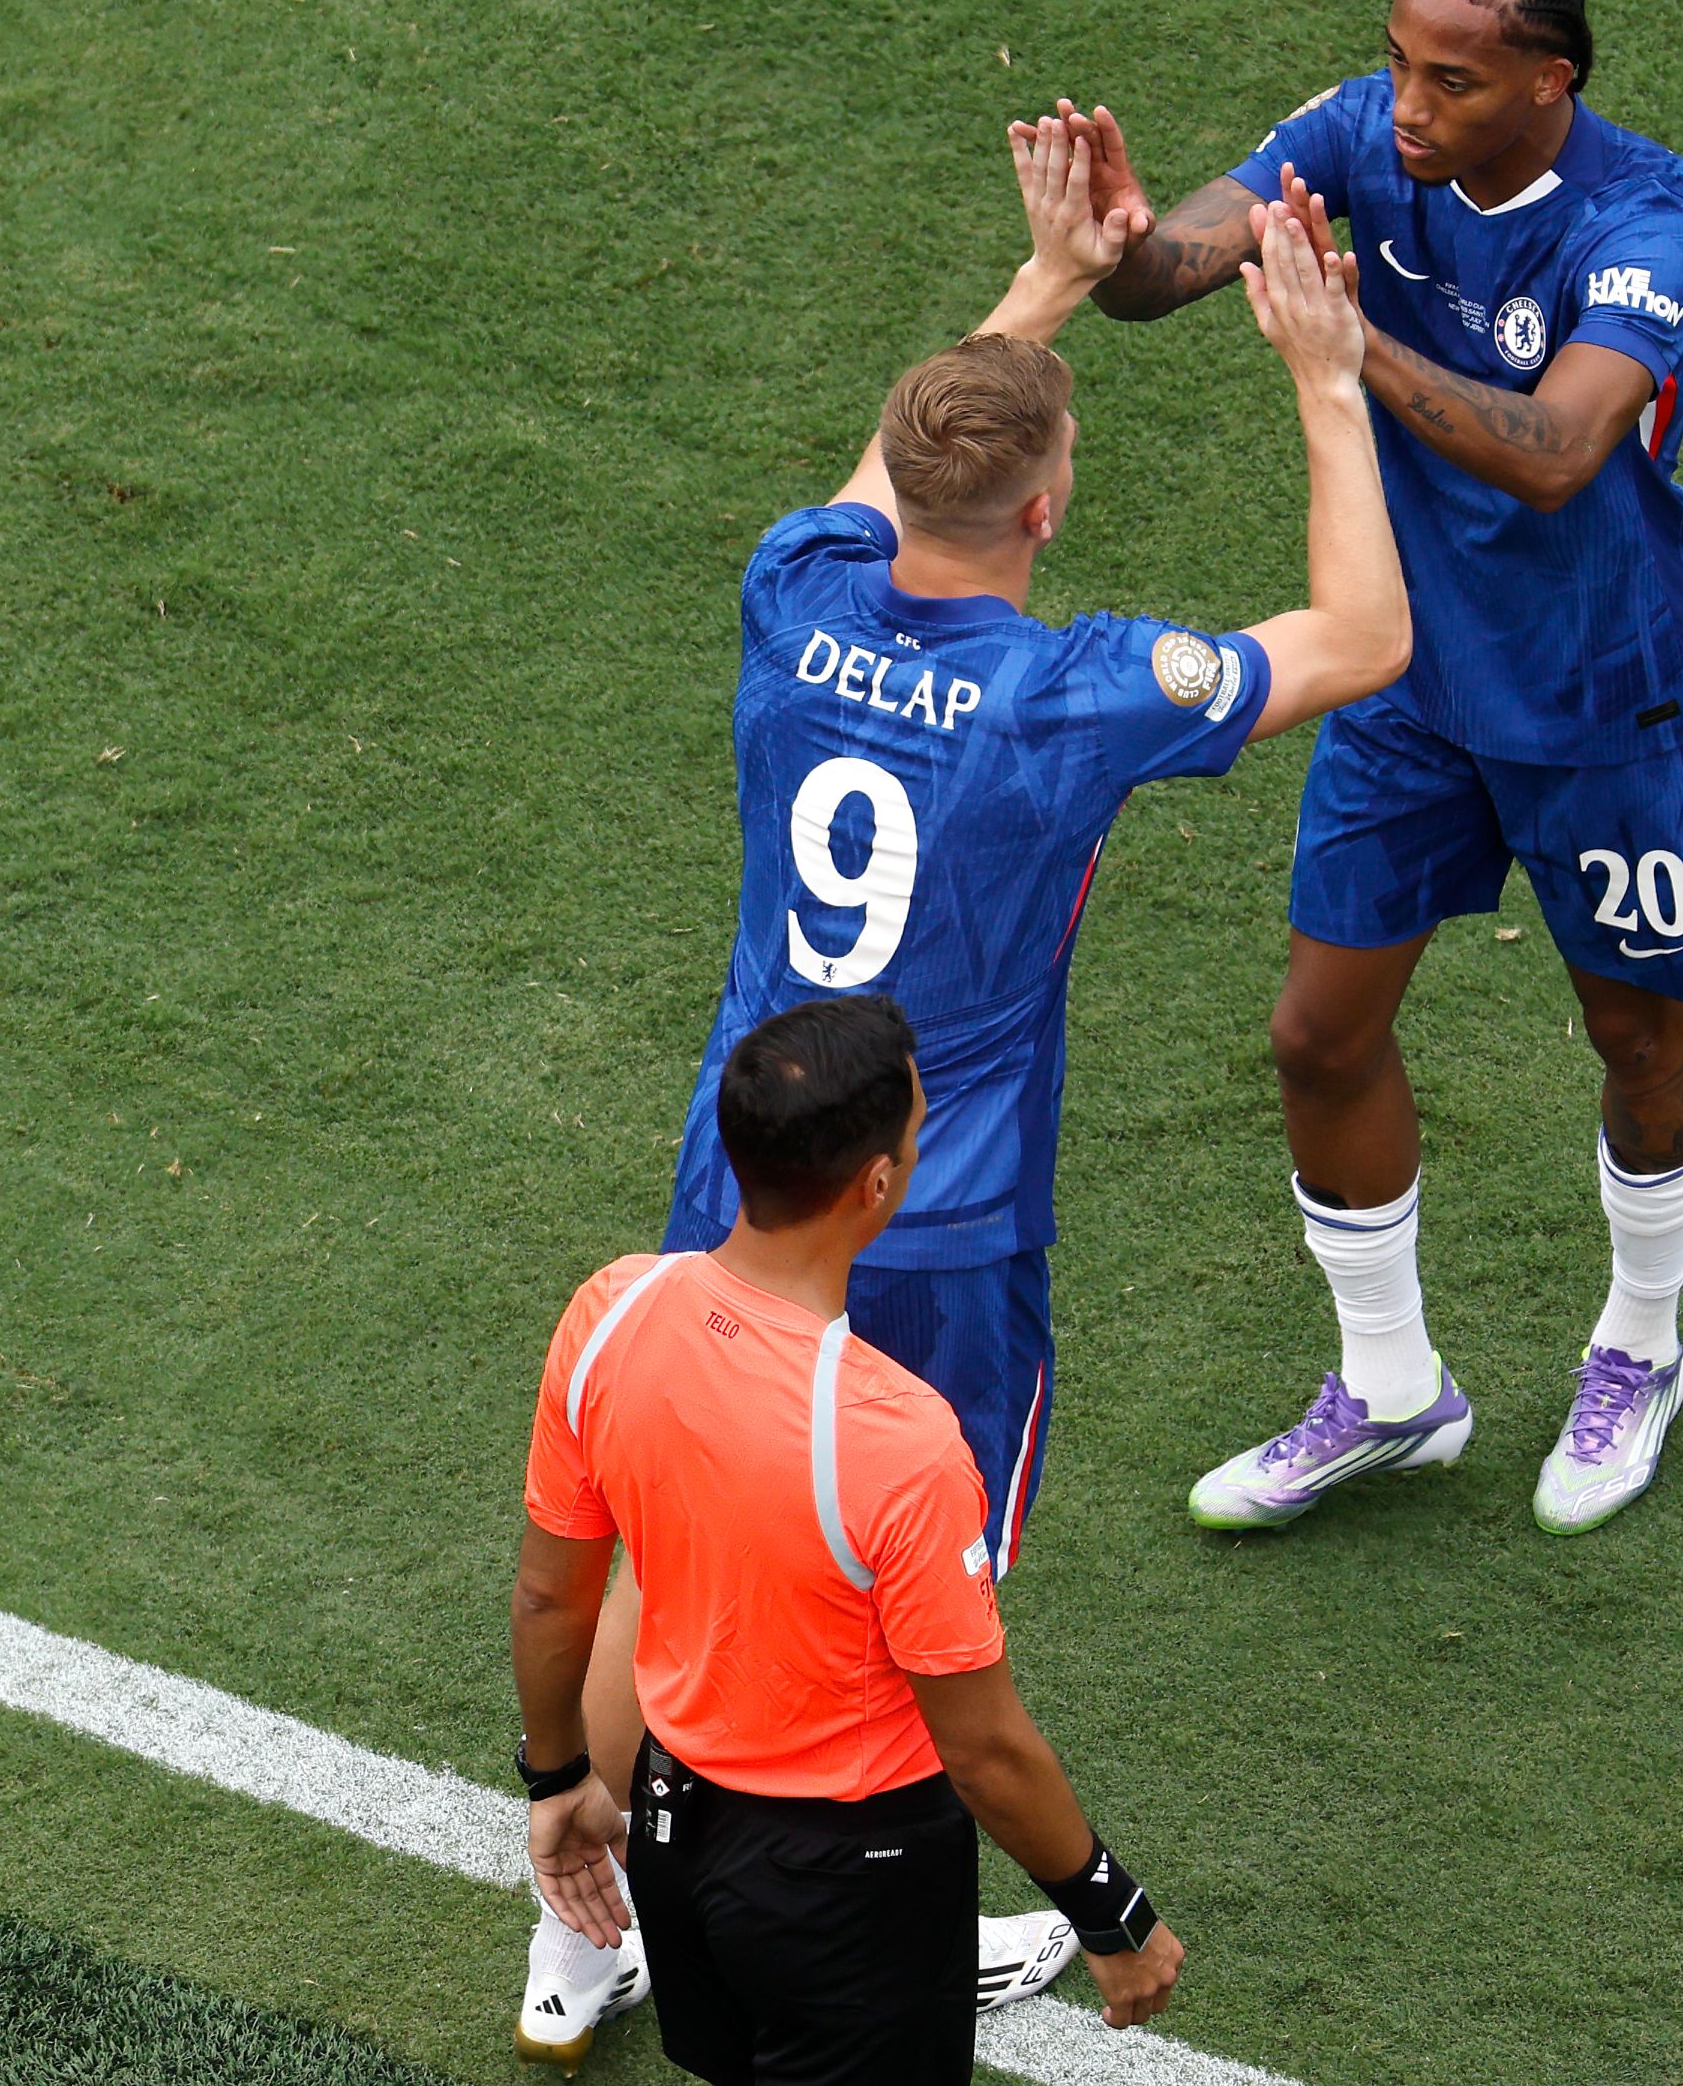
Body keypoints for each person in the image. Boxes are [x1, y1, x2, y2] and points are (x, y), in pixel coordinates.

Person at [513, 116, 1408, 2060]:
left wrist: (1055, 278)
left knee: (669, 1526)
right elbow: (1365, 633)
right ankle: (858, 1909)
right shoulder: (1069, 694)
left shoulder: (793, 588)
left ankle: (577, 1895)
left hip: (739, 1155)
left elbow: (900, 459)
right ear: (1052, 510)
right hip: (941, 1219)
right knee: (910, 1597)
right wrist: (1330, 393)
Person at [1064, 0, 1683, 1538]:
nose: (1407, 108)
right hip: (1413, 683)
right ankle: (1390, 1390)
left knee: (1638, 1036)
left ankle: (1640, 1351)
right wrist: (1117, 241)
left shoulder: (1644, 219)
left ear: (1549, 85)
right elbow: (1174, 272)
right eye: (1396, 63)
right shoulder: (1360, 137)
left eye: (1450, 80)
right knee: (1317, 1031)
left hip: (1610, 700)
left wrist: (1345, 339)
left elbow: (1554, 449)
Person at [514, 998, 1188, 2086]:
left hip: (675, 1837)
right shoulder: (897, 1438)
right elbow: (983, 1747)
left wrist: (556, 1781)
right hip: (849, 1887)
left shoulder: (610, 1311)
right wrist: (1109, 1908)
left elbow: (554, 1598)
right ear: (877, 1184)